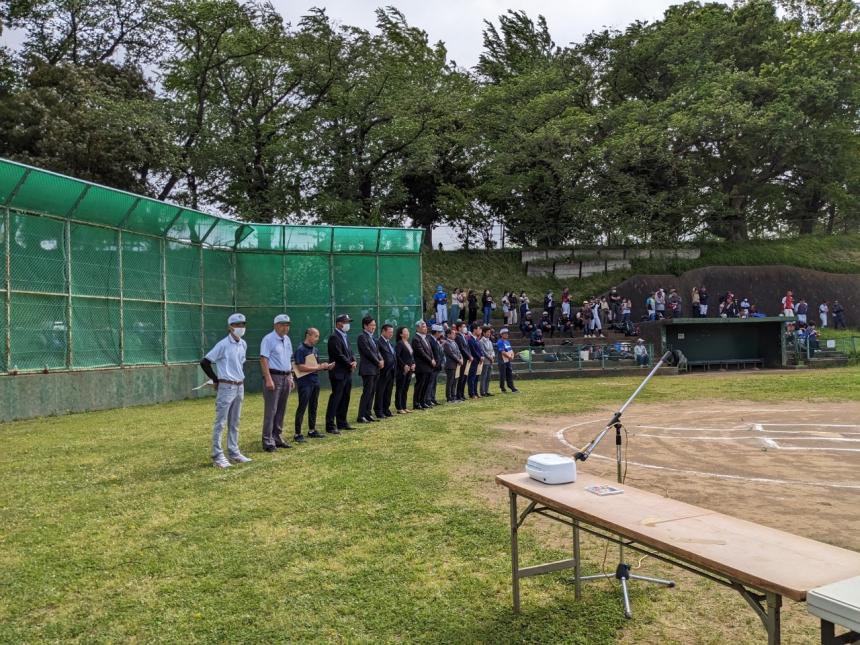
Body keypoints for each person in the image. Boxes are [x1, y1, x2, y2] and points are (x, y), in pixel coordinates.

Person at [199, 313, 251, 468]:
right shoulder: (223, 344)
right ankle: (217, 455)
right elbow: (205, 362)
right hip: (226, 386)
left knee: (235, 421)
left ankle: (234, 452)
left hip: (239, 385)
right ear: (230, 327)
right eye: (237, 325)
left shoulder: (243, 344)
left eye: (243, 325)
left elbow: (240, 364)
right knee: (221, 422)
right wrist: (216, 379)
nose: (241, 328)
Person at [260, 313, 295, 451]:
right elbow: (263, 359)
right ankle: (267, 440)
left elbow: (290, 359)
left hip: (286, 376)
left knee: (281, 409)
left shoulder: (287, 339)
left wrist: (291, 376)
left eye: (287, 325)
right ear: (275, 325)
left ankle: (277, 436)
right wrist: (268, 378)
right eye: (282, 325)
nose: (285, 327)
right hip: (274, 376)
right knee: (271, 410)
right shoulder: (268, 339)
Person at [293, 327, 333, 442]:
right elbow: (300, 366)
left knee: (313, 406)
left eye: (318, 336)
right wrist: (318, 367)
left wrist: (325, 367)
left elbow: (316, 365)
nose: (317, 339)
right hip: (305, 382)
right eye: (315, 336)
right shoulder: (301, 349)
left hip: (315, 381)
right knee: (302, 406)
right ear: (308, 335)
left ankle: (312, 430)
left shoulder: (315, 349)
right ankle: (297, 433)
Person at [325, 314, 357, 434]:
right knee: (336, 397)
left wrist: (353, 360)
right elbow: (338, 355)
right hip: (338, 372)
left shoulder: (345, 336)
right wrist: (349, 363)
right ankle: (330, 425)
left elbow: (350, 351)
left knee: (345, 397)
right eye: (346, 322)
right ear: (339, 323)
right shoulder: (334, 337)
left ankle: (342, 422)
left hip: (347, 372)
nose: (348, 324)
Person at [357, 315, 383, 424]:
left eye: (375, 325)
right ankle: (361, 415)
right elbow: (368, 352)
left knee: (372, 392)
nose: (374, 327)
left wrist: (381, 359)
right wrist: (378, 361)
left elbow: (377, 351)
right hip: (367, 369)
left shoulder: (372, 338)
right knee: (367, 392)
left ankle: (368, 414)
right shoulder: (362, 337)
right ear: (365, 325)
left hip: (375, 369)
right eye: (371, 325)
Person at [411, 320, 436, 410]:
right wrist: (430, 360)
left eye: (425, 326)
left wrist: (433, 358)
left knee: (425, 385)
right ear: (418, 328)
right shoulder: (416, 339)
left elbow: (430, 351)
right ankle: (416, 403)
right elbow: (421, 353)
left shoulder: (426, 338)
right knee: (420, 385)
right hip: (421, 366)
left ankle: (423, 401)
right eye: (423, 326)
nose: (425, 328)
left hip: (428, 366)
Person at [374, 324, 396, 419]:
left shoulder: (389, 343)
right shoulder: (379, 342)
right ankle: (379, 410)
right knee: (381, 391)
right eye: (389, 332)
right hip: (383, 371)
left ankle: (386, 409)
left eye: (392, 332)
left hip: (391, 371)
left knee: (388, 391)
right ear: (383, 331)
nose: (391, 334)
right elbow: (378, 355)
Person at [394, 326, 415, 414]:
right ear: (401, 334)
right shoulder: (399, 343)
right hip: (402, 370)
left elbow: (411, 356)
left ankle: (404, 406)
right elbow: (397, 356)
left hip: (410, 369)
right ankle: (399, 407)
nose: (408, 332)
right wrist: (404, 366)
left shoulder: (408, 343)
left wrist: (413, 363)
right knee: (400, 388)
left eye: (408, 330)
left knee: (405, 388)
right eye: (405, 331)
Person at [443, 327, 463, 403]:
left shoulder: (454, 342)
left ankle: (454, 396)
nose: (455, 335)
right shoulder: (446, 343)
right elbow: (451, 354)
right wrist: (458, 360)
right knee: (450, 382)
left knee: (455, 381)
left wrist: (461, 358)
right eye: (453, 333)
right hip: (450, 365)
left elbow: (458, 351)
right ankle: (449, 398)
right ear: (448, 335)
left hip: (456, 365)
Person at [427, 324, 445, 406]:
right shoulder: (430, 340)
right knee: (430, 383)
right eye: (440, 332)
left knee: (434, 383)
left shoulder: (435, 340)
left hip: (437, 365)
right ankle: (428, 399)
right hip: (432, 366)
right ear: (436, 332)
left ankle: (432, 398)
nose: (441, 334)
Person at [496, 328, 518, 393]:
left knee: (509, 374)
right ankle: (502, 388)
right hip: (502, 361)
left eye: (507, 333)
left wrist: (513, 355)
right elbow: (502, 352)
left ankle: (512, 387)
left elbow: (511, 350)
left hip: (508, 361)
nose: (507, 335)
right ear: (501, 334)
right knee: (502, 375)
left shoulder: (507, 342)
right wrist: (509, 357)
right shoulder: (500, 342)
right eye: (505, 333)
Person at [455, 321, 472, 401]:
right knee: (461, 377)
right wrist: (469, 356)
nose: (465, 328)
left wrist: (470, 356)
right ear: (459, 328)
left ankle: (462, 393)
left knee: (464, 377)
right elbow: (461, 348)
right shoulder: (458, 337)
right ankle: (458, 394)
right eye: (463, 326)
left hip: (467, 359)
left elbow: (467, 348)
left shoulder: (464, 336)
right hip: (463, 359)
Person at [466, 323, 485, 398]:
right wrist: (480, 357)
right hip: (474, 361)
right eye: (478, 329)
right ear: (474, 330)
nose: (479, 330)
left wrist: (482, 356)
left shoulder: (476, 339)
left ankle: (475, 392)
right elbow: (473, 351)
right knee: (472, 377)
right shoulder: (470, 339)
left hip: (478, 361)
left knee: (476, 377)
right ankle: (472, 393)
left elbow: (480, 350)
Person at [479, 325, 495, 397]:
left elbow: (492, 350)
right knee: (484, 376)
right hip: (485, 361)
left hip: (490, 361)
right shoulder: (481, 341)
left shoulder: (490, 341)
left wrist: (493, 356)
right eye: (488, 332)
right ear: (484, 333)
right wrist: (490, 357)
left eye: (490, 332)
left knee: (488, 377)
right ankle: (482, 391)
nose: (489, 333)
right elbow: (483, 351)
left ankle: (486, 390)